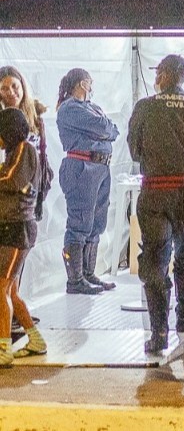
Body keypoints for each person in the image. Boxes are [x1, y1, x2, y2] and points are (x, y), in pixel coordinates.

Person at [128, 54, 184, 354]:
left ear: (166, 74)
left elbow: (134, 151)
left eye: (158, 72)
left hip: (155, 192)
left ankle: (159, 333)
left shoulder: (145, 106)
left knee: (155, 260)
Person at [57, 68, 119, 295]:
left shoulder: (92, 108)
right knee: (80, 222)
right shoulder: (69, 108)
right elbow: (104, 127)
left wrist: (105, 128)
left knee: (96, 223)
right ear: (83, 83)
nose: (92, 86)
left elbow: (114, 130)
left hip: (101, 167)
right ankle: (75, 280)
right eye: (90, 82)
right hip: (82, 167)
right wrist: (104, 128)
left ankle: (88, 273)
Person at [0, 109, 46, 367]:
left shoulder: (25, 149)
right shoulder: (13, 152)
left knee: (1, 290)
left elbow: (13, 180)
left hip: (18, 229)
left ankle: (3, 349)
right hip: (11, 227)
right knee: (12, 292)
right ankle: (36, 340)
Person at [0, 67, 53, 222]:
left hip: (32, 189)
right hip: (9, 187)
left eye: (14, 86)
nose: (10, 92)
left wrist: (44, 181)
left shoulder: (36, 117)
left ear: (22, 86)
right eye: (4, 88)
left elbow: (42, 153)